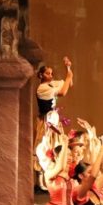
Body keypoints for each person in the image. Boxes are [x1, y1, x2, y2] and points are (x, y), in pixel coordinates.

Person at [33, 57, 72, 185]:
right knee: (43, 146)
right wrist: (68, 77)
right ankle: (41, 179)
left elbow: (69, 84)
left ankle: (53, 175)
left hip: (53, 119)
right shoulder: (42, 88)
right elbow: (63, 92)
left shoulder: (51, 84)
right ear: (41, 75)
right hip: (45, 121)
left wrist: (68, 68)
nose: (50, 75)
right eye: (47, 73)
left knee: (56, 146)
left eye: (51, 73)